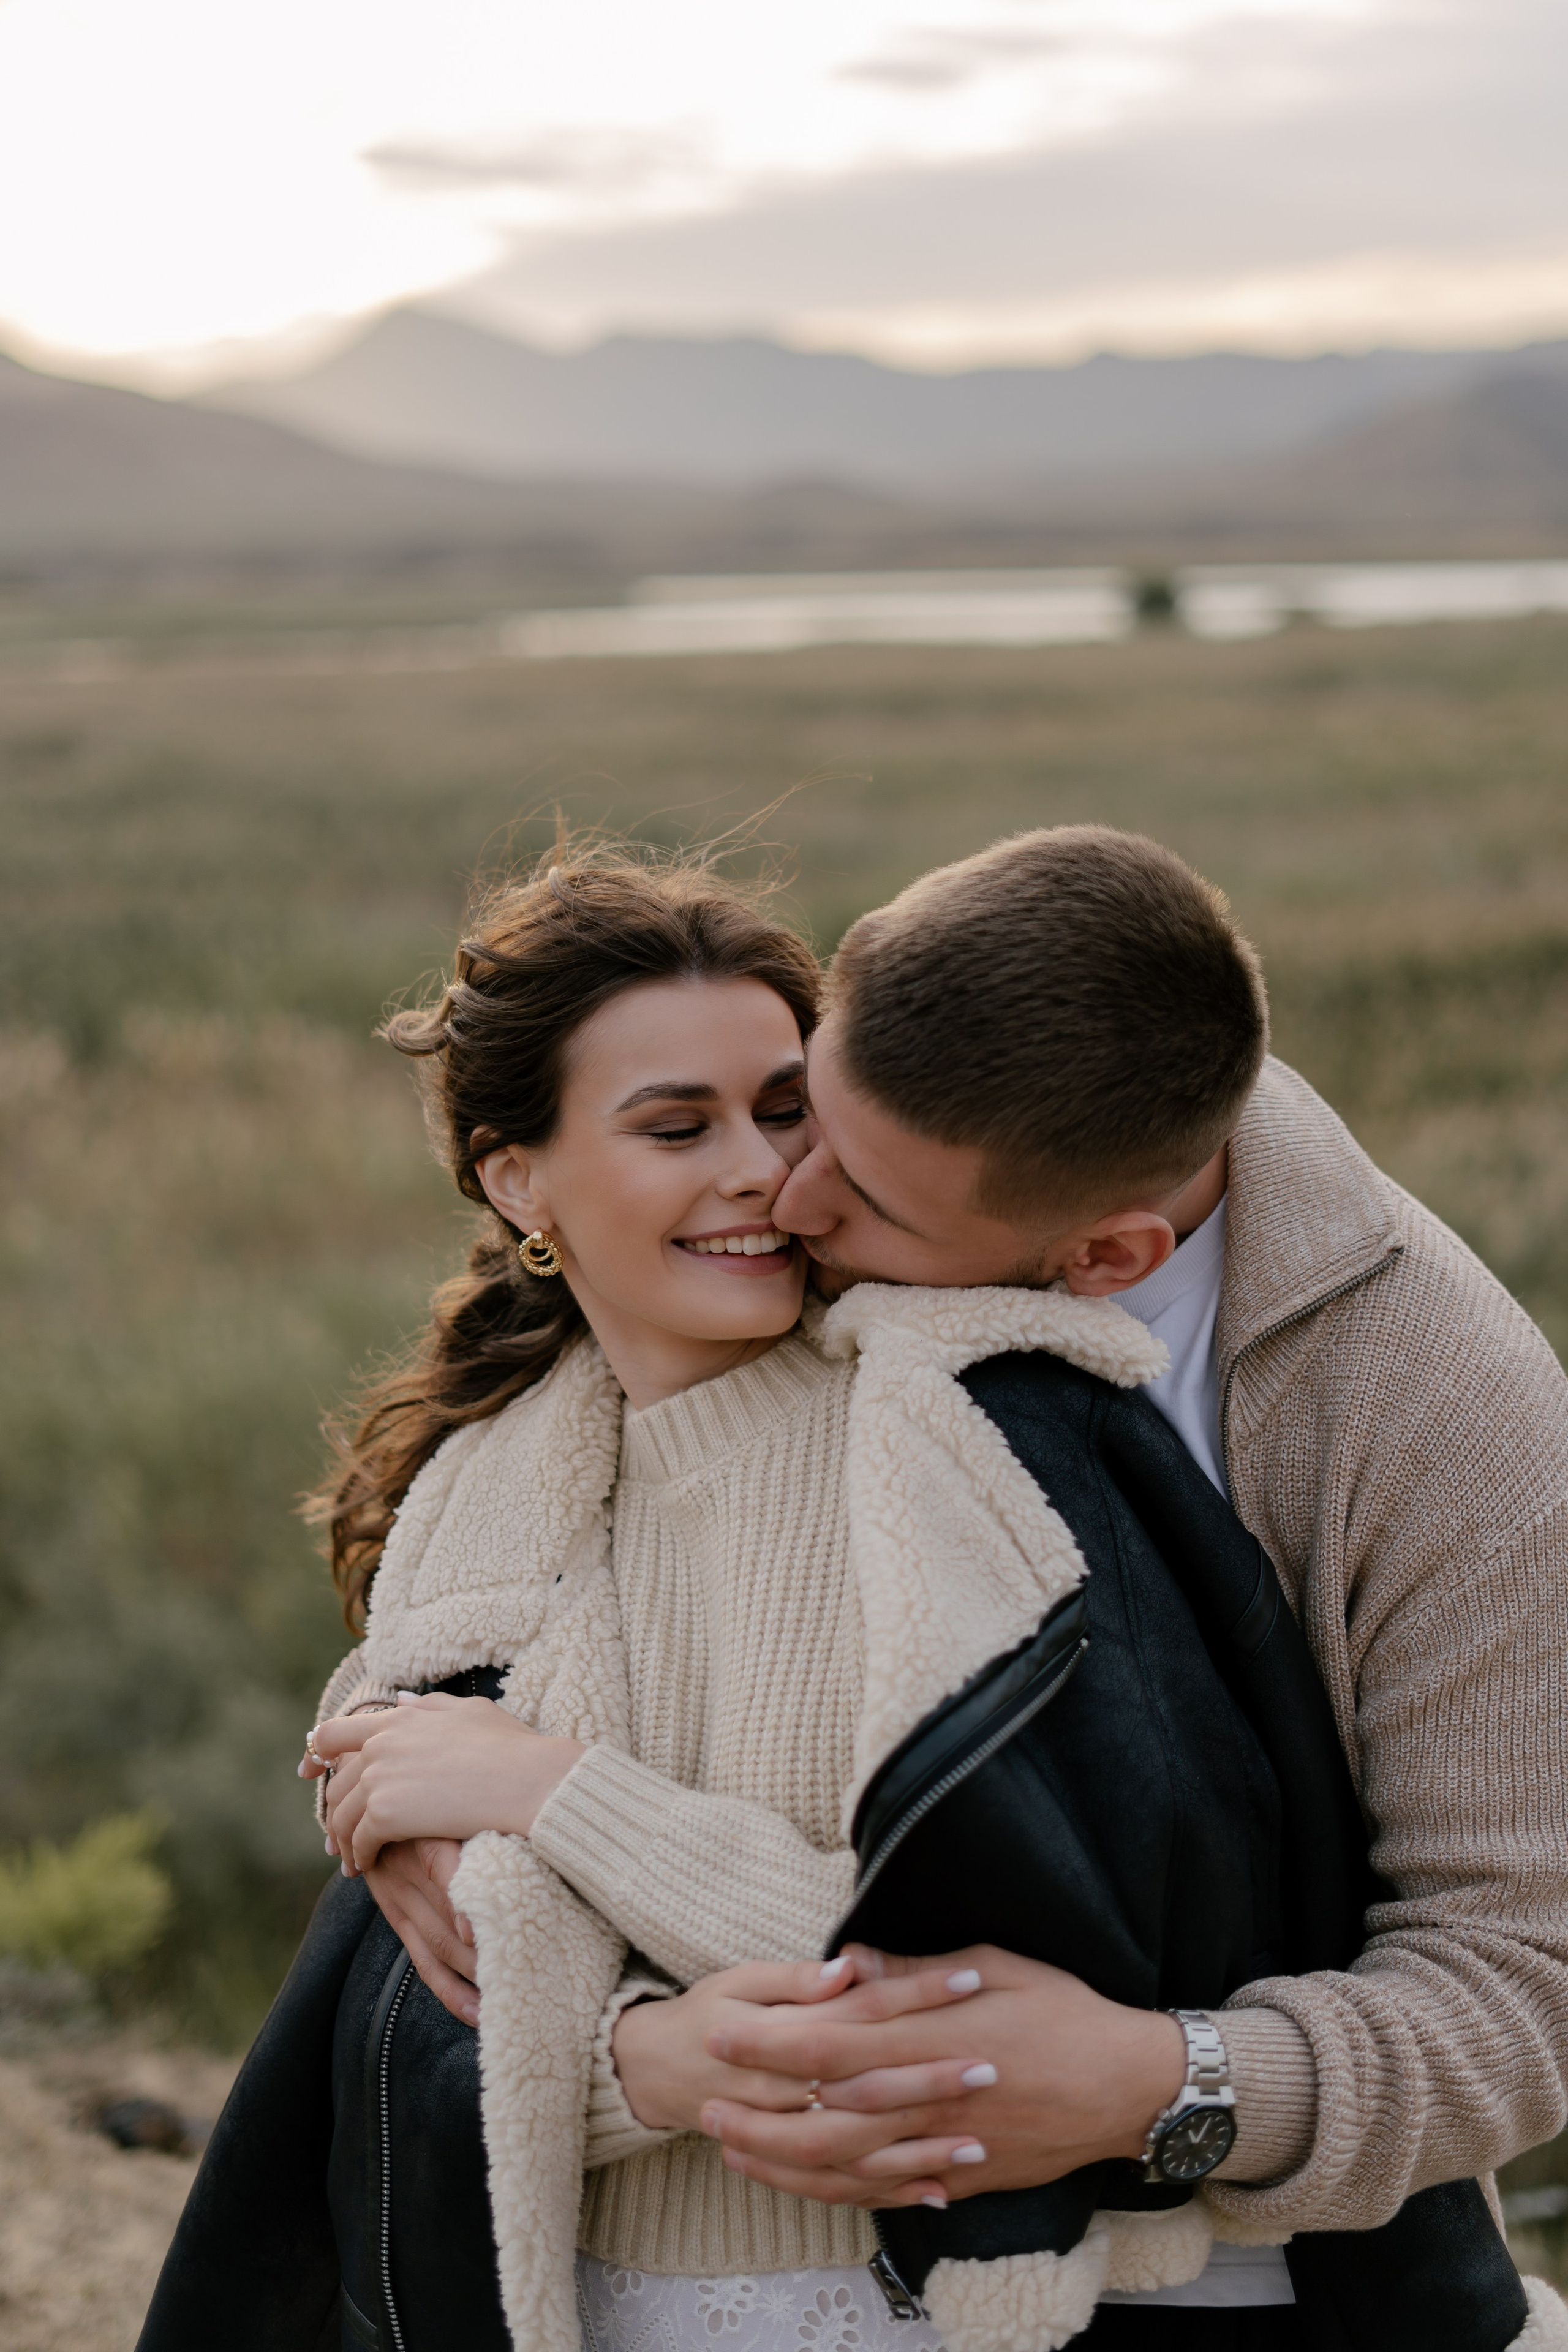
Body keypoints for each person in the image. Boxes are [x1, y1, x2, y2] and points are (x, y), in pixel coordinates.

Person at [145, 841, 1324, 2352]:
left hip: (918, 2315)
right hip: (597, 2309)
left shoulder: (965, 1450)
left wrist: (560, 1795)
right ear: (520, 1179)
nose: (758, 1173)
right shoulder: (478, 1493)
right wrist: (643, 2069)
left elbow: (1010, 1978)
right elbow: (408, 2015)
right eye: (672, 1126)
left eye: (783, 1110)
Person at [681, 825, 1568, 2332]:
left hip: (1241, 2291)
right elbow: (515, 1498)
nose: (790, 1198)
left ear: (1105, 1257)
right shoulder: (797, 1193)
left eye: (876, 1208)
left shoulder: (1447, 1416)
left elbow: (1519, 1987)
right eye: (803, 1108)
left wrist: (1164, 2083)